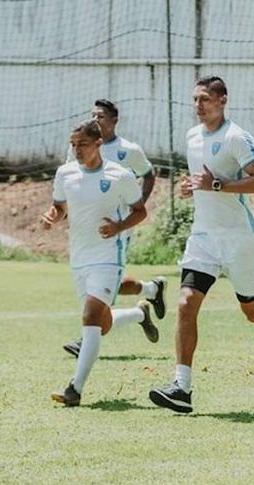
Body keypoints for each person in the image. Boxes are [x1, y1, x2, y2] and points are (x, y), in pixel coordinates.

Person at [147, 76, 254, 414]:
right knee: (186, 303)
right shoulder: (192, 136)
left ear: (222, 100)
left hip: (239, 239)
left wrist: (217, 184)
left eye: (205, 99)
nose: (198, 105)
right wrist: (190, 187)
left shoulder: (236, 137)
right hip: (204, 238)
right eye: (195, 99)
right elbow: (203, 181)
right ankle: (182, 387)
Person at [42, 120, 157, 406]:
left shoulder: (120, 175)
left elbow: (140, 211)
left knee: (90, 317)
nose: (77, 150)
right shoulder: (65, 173)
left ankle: (75, 389)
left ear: (98, 144)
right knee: (101, 324)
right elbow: (59, 206)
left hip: (108, 257)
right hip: (79, 258)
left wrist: (119, 227)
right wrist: (52, 216)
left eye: (82, 144)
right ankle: (140, 314)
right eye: (73, 144)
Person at [63, 99, 166, 358]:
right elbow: (69, 178)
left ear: (114, 121)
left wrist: (136, 205)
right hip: (86, 229)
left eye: (100, 116)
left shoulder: (128, 150)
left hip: (117, 228)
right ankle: (148, 297)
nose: (95, 120)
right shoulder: (79, 146)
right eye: (92, 115)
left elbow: (148, 174)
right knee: (106, 286)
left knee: (103, 288)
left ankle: (86, 339)